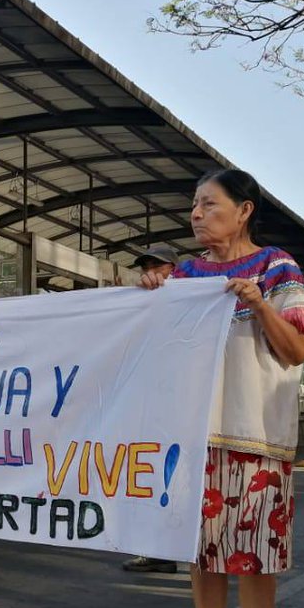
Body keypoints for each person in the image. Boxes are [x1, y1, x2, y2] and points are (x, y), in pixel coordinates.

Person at [140, 169, 304, 608]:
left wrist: (262, 303)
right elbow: (153, 348)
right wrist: (150, 295)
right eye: (194, 205)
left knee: (253, 553)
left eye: (208, 203)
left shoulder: (277, 266)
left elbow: (296, 351)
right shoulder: (184, 274)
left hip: (256, 436)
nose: (196, 214)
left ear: (244, 210)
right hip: (196, 435)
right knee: (201, 551)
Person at [122, 243, 180, 574]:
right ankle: (158, 548)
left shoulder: (190, 295)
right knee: (152, 475)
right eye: (147, 266)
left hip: (182, 403)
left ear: (176, 269)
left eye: (159, 266)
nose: (152, 272)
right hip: (151, 402)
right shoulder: (142, 299)